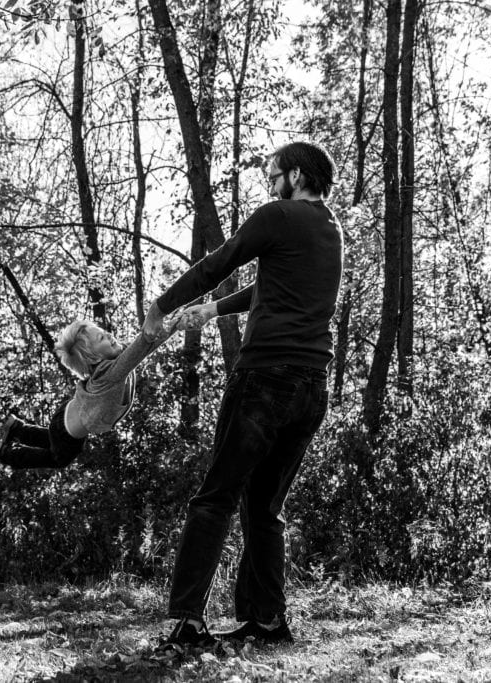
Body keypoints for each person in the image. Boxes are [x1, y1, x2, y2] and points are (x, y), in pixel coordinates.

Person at [143, 141, 342, 647]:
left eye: (274, 174)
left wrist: (162, 305)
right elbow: (268, 290)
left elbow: (222, 261)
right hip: (310, 387)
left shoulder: (278, 215)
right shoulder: (329, 229)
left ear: (296, 176)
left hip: (265, 380)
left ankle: (185, 621)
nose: (270, 183)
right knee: (263, 506)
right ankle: (267, 621)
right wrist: (213, 312)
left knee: (215, 498)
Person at [0, 318, 180, 469]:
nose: (110, 334)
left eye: (105, 333)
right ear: (94, 357)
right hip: (68, 432)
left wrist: (175, 320)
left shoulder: (111, 368)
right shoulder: (111, 372)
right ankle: (6, 454)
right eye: (102, 338)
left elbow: (142, 344)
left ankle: (16, 428)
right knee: (57, 459)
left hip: (66, 419)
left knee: (51, 439)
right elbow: (145, 344)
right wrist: (176, 324)